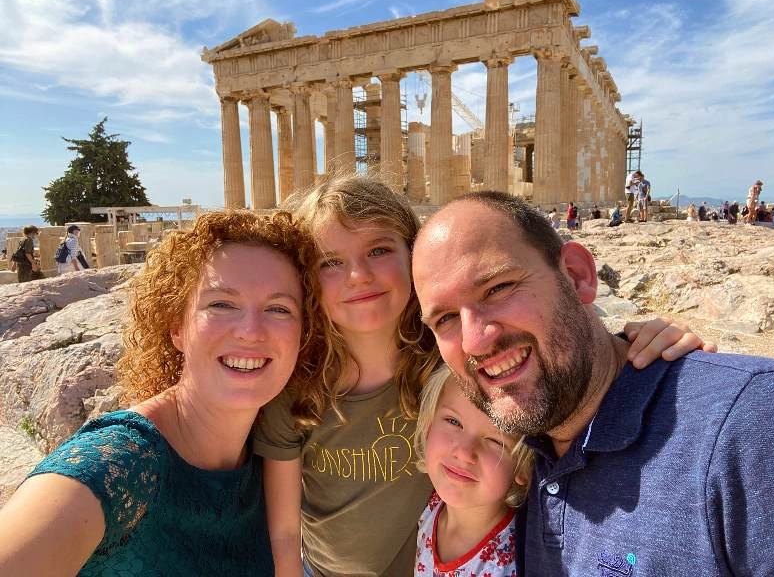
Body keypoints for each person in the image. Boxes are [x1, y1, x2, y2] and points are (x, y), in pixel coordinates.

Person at [255, 177, 708, 577]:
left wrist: (636, 337)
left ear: (414, 258)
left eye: (379, 250)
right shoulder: (296, 387)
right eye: (330, 261)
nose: (359, 275)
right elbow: (282, 529)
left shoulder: (454, 362)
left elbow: (553, 357)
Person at [411, 191, 774, 576]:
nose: (474, 340)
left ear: (578, 276)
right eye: (444, 319)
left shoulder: (759, 423)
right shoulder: (522, 457)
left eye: (497, 288)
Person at [0, 210, 320, 575]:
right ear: (177, 329)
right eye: (221, 304)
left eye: (278, 309)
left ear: (303, 336)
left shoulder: (268, 458)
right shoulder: (120, 463)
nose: (251, 330)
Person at [412, 365, 532, 576]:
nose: (464, 452)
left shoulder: (508, 566)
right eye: (453, 421)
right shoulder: (431, 504)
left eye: (495, 441)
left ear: (523, 466)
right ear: (429, 425)